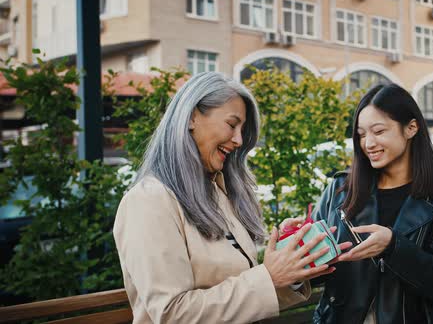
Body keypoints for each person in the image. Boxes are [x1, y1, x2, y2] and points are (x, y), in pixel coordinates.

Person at [113, 72, 341, 324]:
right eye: (232, 125)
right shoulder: (148, 201)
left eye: (242, 130)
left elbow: (246, 294)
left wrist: (287, 264)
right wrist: (268, 276)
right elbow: (171, 314)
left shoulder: (218, 193)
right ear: (191, 117)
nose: (239, 140)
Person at [307, 84, 433, 323]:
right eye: (362, 134)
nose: (368, 143)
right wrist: (297, 250)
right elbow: (314, 268)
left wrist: (394, 246)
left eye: (378, 131)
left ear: (411, 128)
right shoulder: (340, 190)